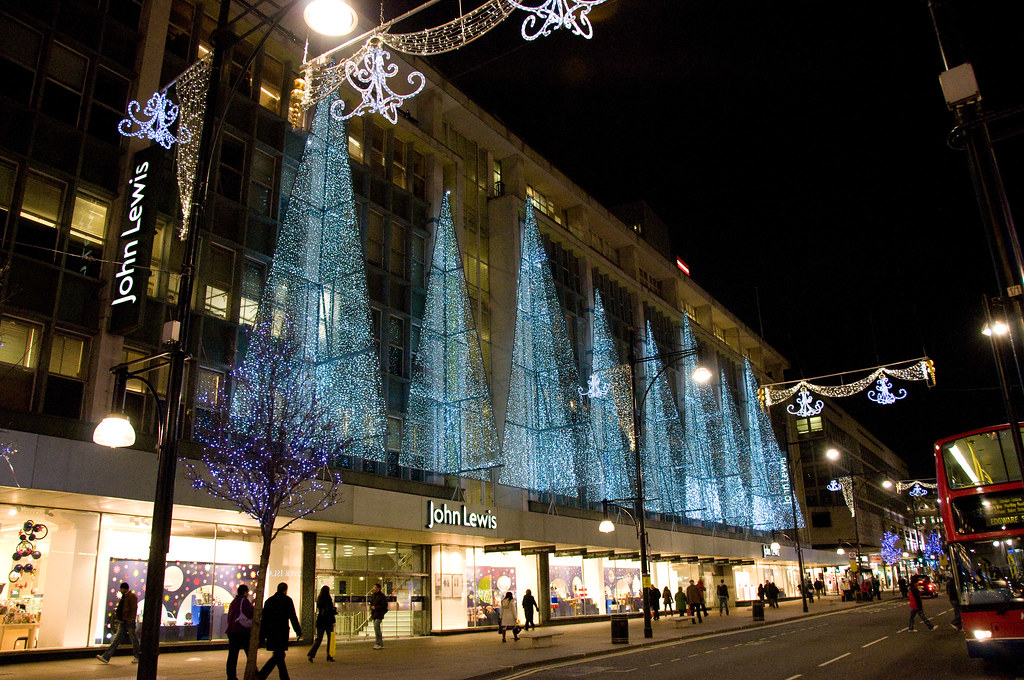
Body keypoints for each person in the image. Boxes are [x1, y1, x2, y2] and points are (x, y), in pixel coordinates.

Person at [257, 582, 301, 680]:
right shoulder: (287, 601)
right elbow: (293, 617)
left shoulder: (269, 601)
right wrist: (298, 631)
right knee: (279, 655)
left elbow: (264, 620)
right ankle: (262, 675)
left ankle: (269, 676)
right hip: (282, 632)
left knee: (279, 655)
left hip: (271, 632)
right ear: (285, 590)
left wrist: (262, 636)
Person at [97, 582, 139, 664]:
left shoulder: (131, 597)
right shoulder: (125, 596)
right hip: (123, 621)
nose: (120, 590)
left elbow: (133, 609)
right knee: (118, 639)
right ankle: (106, 657)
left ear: (124, 589)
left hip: (128, 621)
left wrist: (130, 619)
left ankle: (137, 656)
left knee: (133, 639)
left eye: (121, 589)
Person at [225, 583, 255, 680]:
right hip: (241, 631)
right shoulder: (244, 601)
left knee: (232, 655)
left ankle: (231, 676)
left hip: (232, 631)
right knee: (249, 653)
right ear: (245, 592)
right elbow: (250, 613)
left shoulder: (234, 601)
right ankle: (254, 672)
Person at [308, 585, 336, 662]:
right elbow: (330, 611)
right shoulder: (328, 599)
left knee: (319, 639)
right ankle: (329, 655)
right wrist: (333, 620)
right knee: (330, 639)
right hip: (328, 622)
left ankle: (311, 654)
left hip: (320, 621)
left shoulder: (319, 600)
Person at [369, 582, 388, 649]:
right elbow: (371, 603)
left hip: (379, 614)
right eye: (374, 587)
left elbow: (384, 606)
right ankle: (380, 643)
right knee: (376, 628)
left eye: (376, 587)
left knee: (377, 627)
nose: (374, 589)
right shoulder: (373, 596)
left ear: (379, 588)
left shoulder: (382, 596)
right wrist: (372, 607)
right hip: (374, 614)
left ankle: (378, 643)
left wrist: (376, 608)